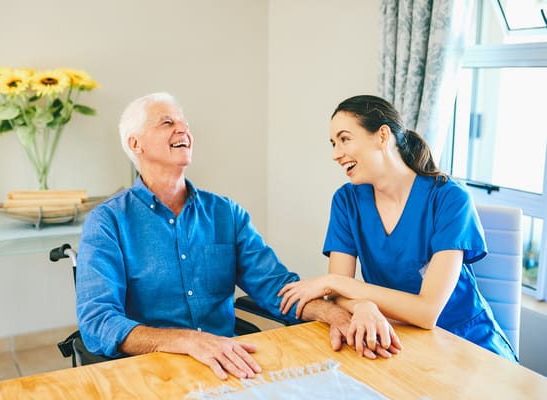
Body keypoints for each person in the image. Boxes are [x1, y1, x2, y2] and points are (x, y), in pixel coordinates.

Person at [75, 92, 402, 381]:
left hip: (227, 367)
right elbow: (97, 321)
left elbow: (274, 285)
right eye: (167, 122)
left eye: (184, 122)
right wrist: (187, 341)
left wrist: (337, 315)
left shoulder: (225, 213)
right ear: (136, 144)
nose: (183, 129)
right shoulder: (108, 222)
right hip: (150, 373)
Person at [278, 95, 518, 362]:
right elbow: (337, 296)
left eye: (344, 139)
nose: (336, 154)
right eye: (333, 144)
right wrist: (363, 306)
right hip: (396, 338)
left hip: (468, 344)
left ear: (382, 135)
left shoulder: (450, 198)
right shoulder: (347, 201)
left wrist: (336, 283)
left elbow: (427, 312)